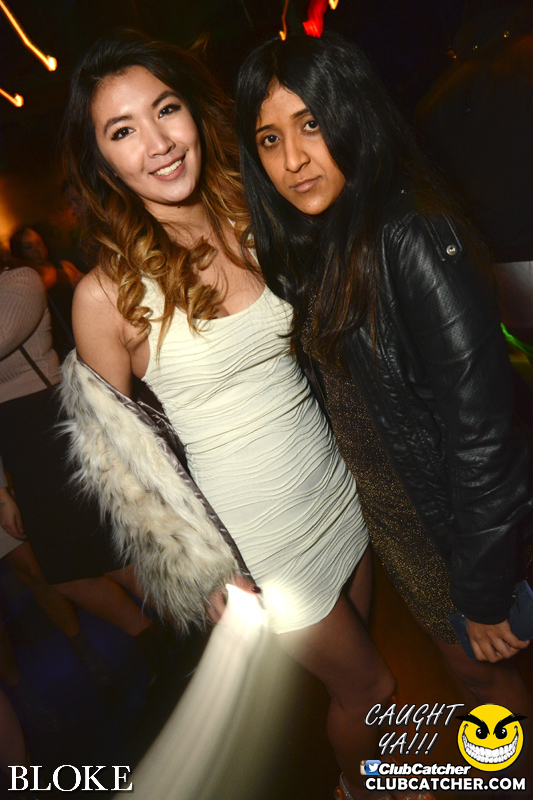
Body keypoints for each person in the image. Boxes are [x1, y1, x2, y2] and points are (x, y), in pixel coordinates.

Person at [60, 31, 398, 800]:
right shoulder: (105, 296)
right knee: (369, 688)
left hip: (334, 487)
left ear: (192, 112)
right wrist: (202, 568)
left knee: (366, 673)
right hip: (261, 535)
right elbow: (119, 461)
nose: (157, 143)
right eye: (122, 130)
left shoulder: (254, 212)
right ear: (102, 162)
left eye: (165, 110)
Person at [235, 30, 533, 742]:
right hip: (405, 522)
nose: (293, 158)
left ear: (352, 113)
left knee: (485, 683)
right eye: (269, 139)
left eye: (311, 123)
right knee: (472, 682)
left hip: (447, 529)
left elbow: (483, 434)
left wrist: (483, 586)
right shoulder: (333, 238)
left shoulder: (410, 234)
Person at [0, 246, 161, 689]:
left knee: (110, 550)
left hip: (52, 421)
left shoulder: (20, 281)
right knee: (63, 569)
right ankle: (151, 637)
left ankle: (188, 622)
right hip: (15, 441)